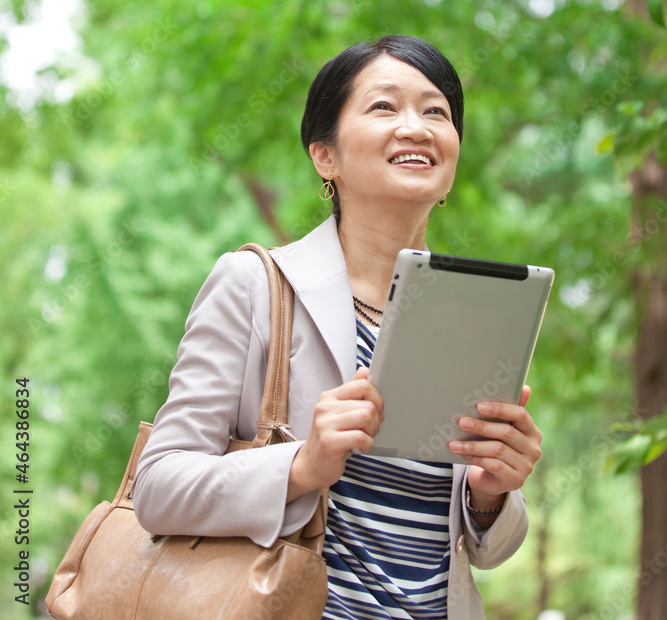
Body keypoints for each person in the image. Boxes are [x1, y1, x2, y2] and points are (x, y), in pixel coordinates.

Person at [132, 34, 543, 620]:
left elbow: (486, 550)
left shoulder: (471, 316)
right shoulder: (254, 285)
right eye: (384, 106)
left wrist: (491, 491)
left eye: (436, 112)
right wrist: (302, 465)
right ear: (325, 156)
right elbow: (157, 487)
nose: (417, 127)